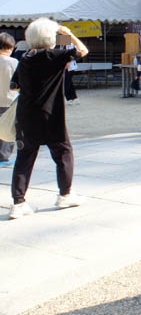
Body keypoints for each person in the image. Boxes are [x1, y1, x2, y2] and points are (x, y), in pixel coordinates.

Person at [8, 18, 88, 219]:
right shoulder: (56, 55)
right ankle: (65, 194)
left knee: (25, 157)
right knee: (63, 152)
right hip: (52, 113)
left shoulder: (25, 57)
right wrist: (66, 32)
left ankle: (18, 203)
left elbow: (14, 86)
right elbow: (83, 50)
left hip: (26, 114)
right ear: (51, 37)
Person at [0, 33, 18, 165]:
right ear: (11, 47)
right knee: (7, 129)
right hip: (9, 100)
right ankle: (3, 157)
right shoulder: (14, 62)